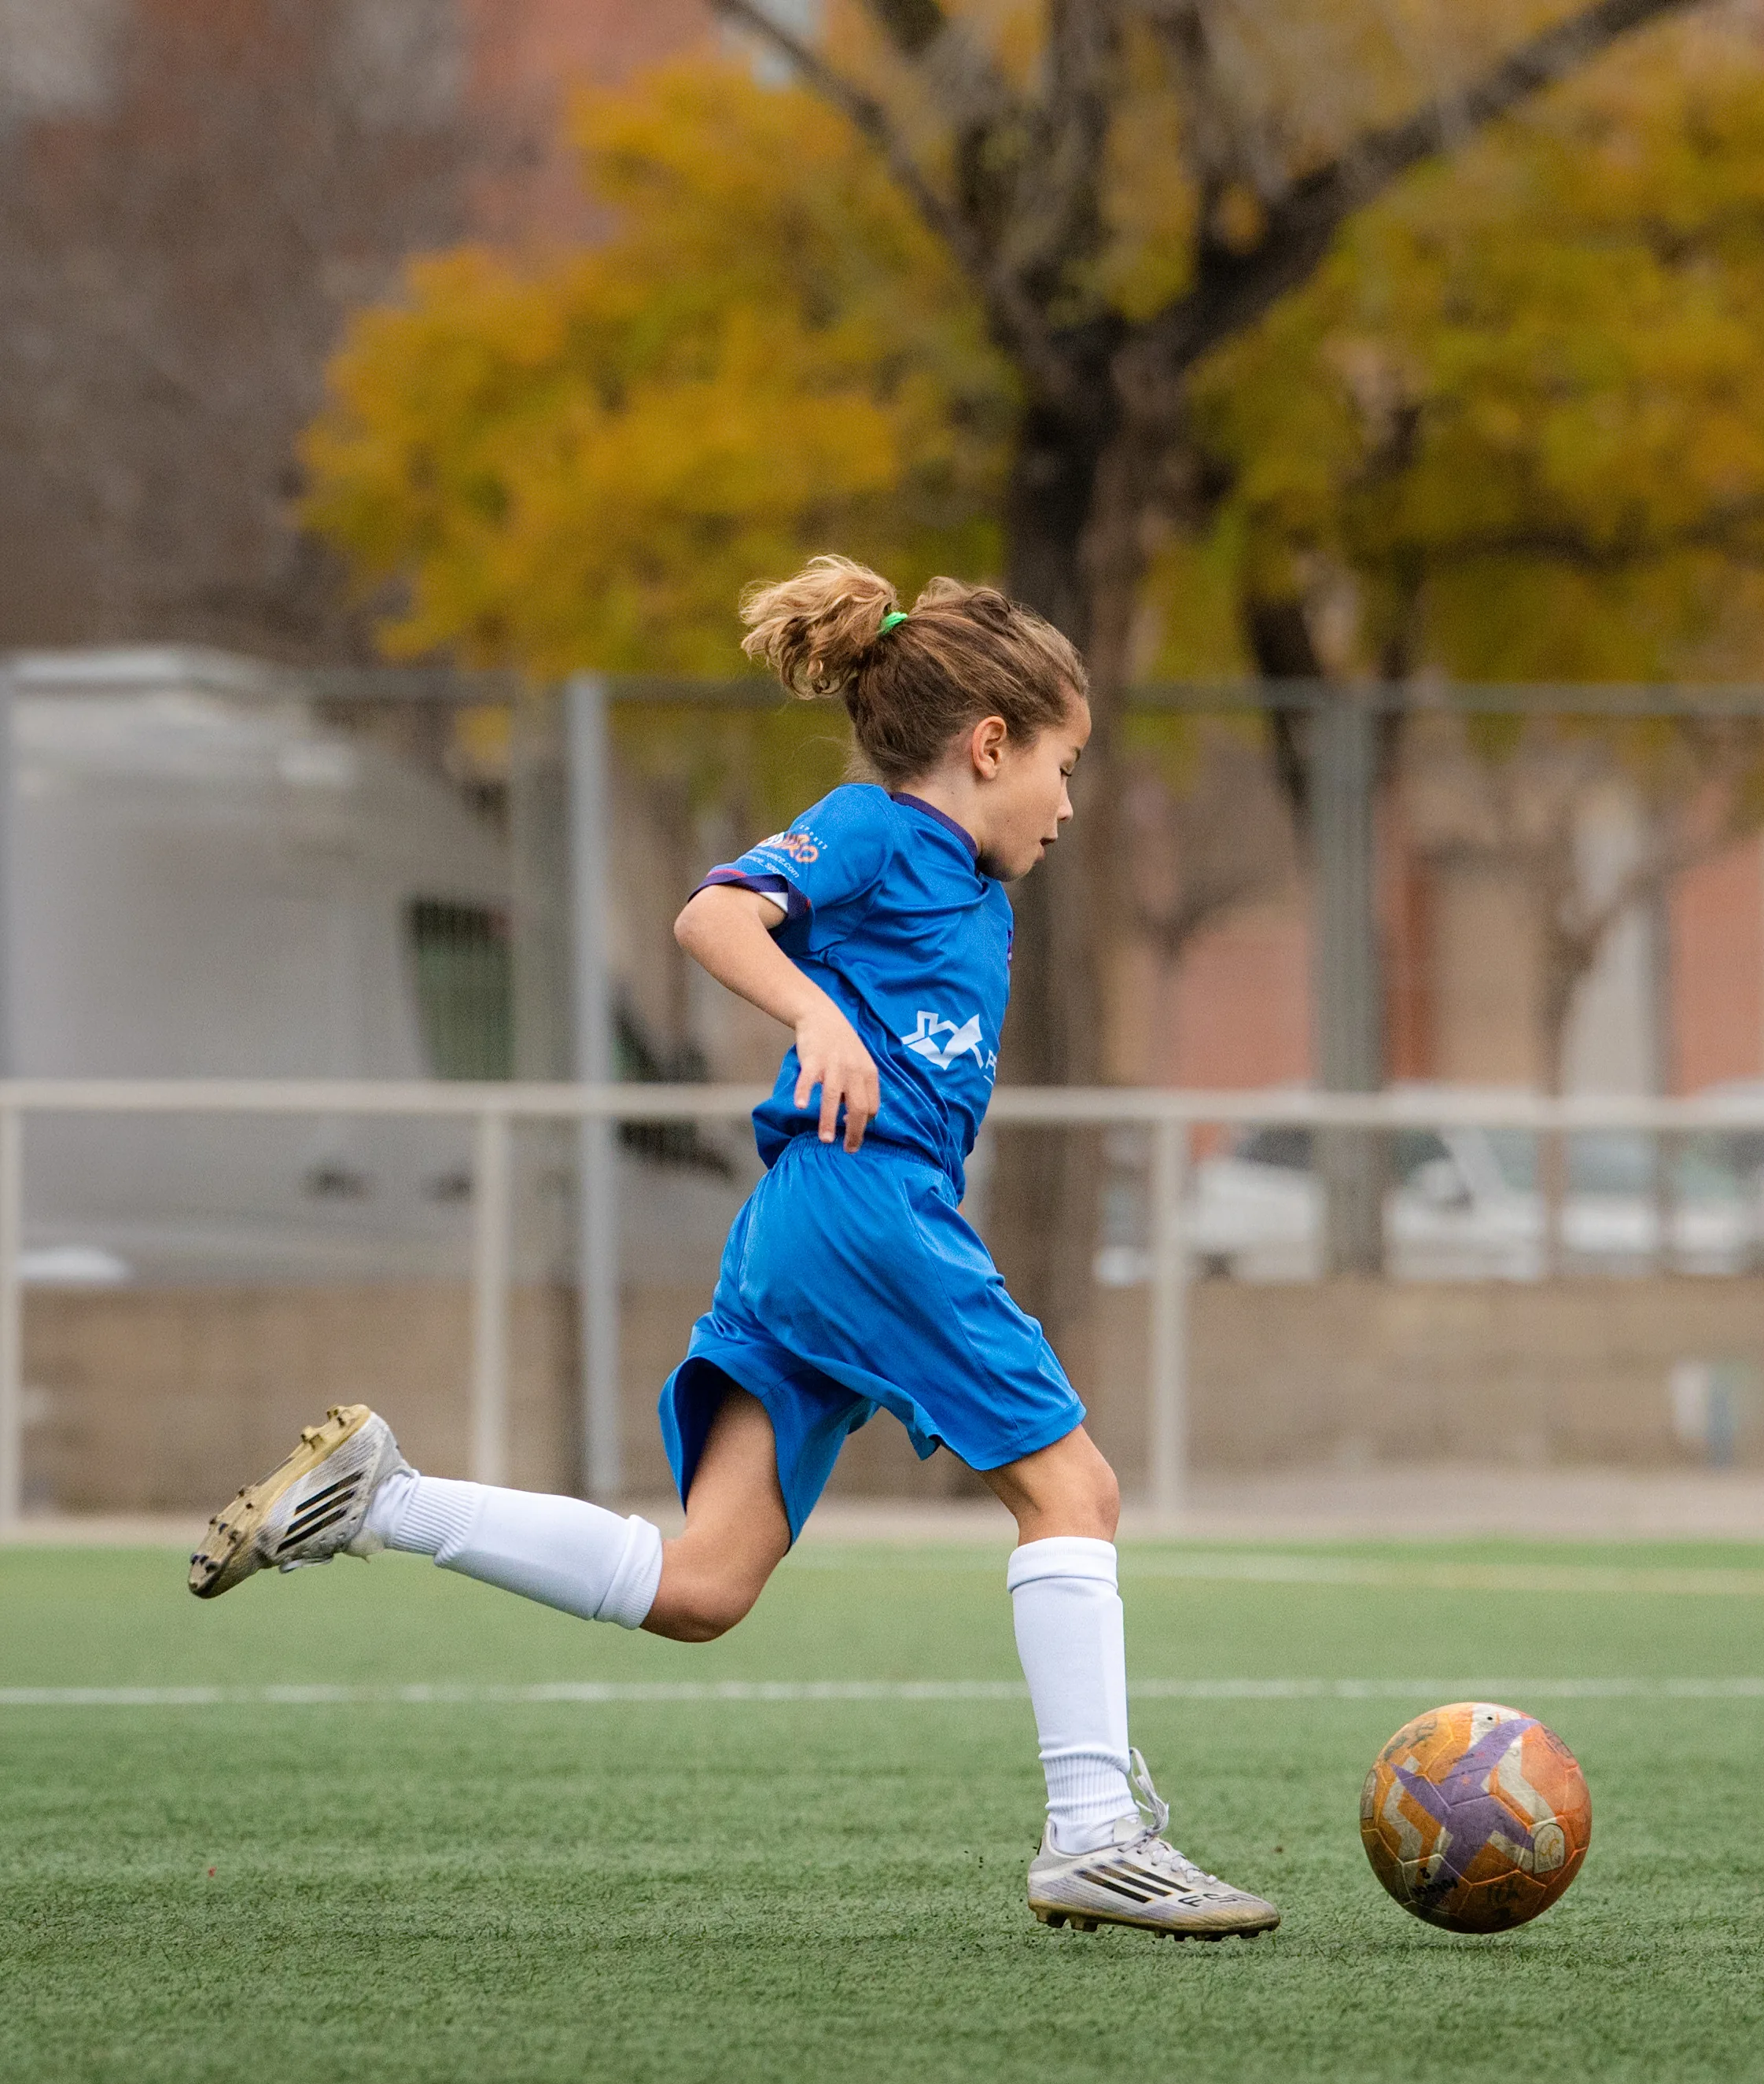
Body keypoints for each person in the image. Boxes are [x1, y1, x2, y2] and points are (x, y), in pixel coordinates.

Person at [188, 558, 1279, 1942]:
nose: (1070, 803)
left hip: (808, 1235)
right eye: (1063, 765)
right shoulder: (882, 833)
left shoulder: (972, 886)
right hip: (862, 1210)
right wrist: (816, 1019)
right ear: (987, 746)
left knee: (702, 1587)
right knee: (1075, 1493)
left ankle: (383, 1497)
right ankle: (1095, 1836)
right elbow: (711, 915)